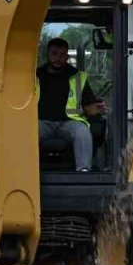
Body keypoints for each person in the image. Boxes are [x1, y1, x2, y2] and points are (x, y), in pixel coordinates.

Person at [37, 37, 106, 171]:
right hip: (41, 122)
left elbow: (89, 106)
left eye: (62, 55)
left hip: (69, 123)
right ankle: (25, 173)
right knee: (26, 132)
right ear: (48, 54)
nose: (58, 58)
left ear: (67, 56)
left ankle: (83, 171)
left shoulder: (77, 76)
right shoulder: (35, 75)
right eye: (54, 53)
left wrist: (96, 109)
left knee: (82, 131)